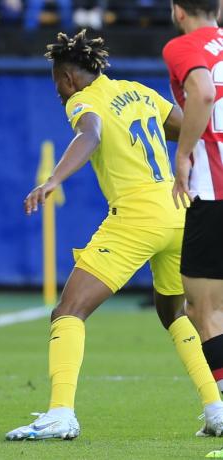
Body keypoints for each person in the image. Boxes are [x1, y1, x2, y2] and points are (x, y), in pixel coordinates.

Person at [5, 29, 223, 441]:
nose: (58, 93)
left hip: (138, 215)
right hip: (180, 211)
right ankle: (216, 408)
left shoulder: (84, 100)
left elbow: (90, 134)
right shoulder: (137, 91)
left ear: (68, 79)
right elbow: (182, 124)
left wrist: (54, 179)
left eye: (57, 84)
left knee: (68, 311)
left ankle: (60, 413)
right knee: (175, 313)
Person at [162, 0, 223, 454]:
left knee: (206, 311)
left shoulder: (184, 45)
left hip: (214, 194)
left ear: (178, 9)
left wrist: (183, 153)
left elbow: (201, 92)